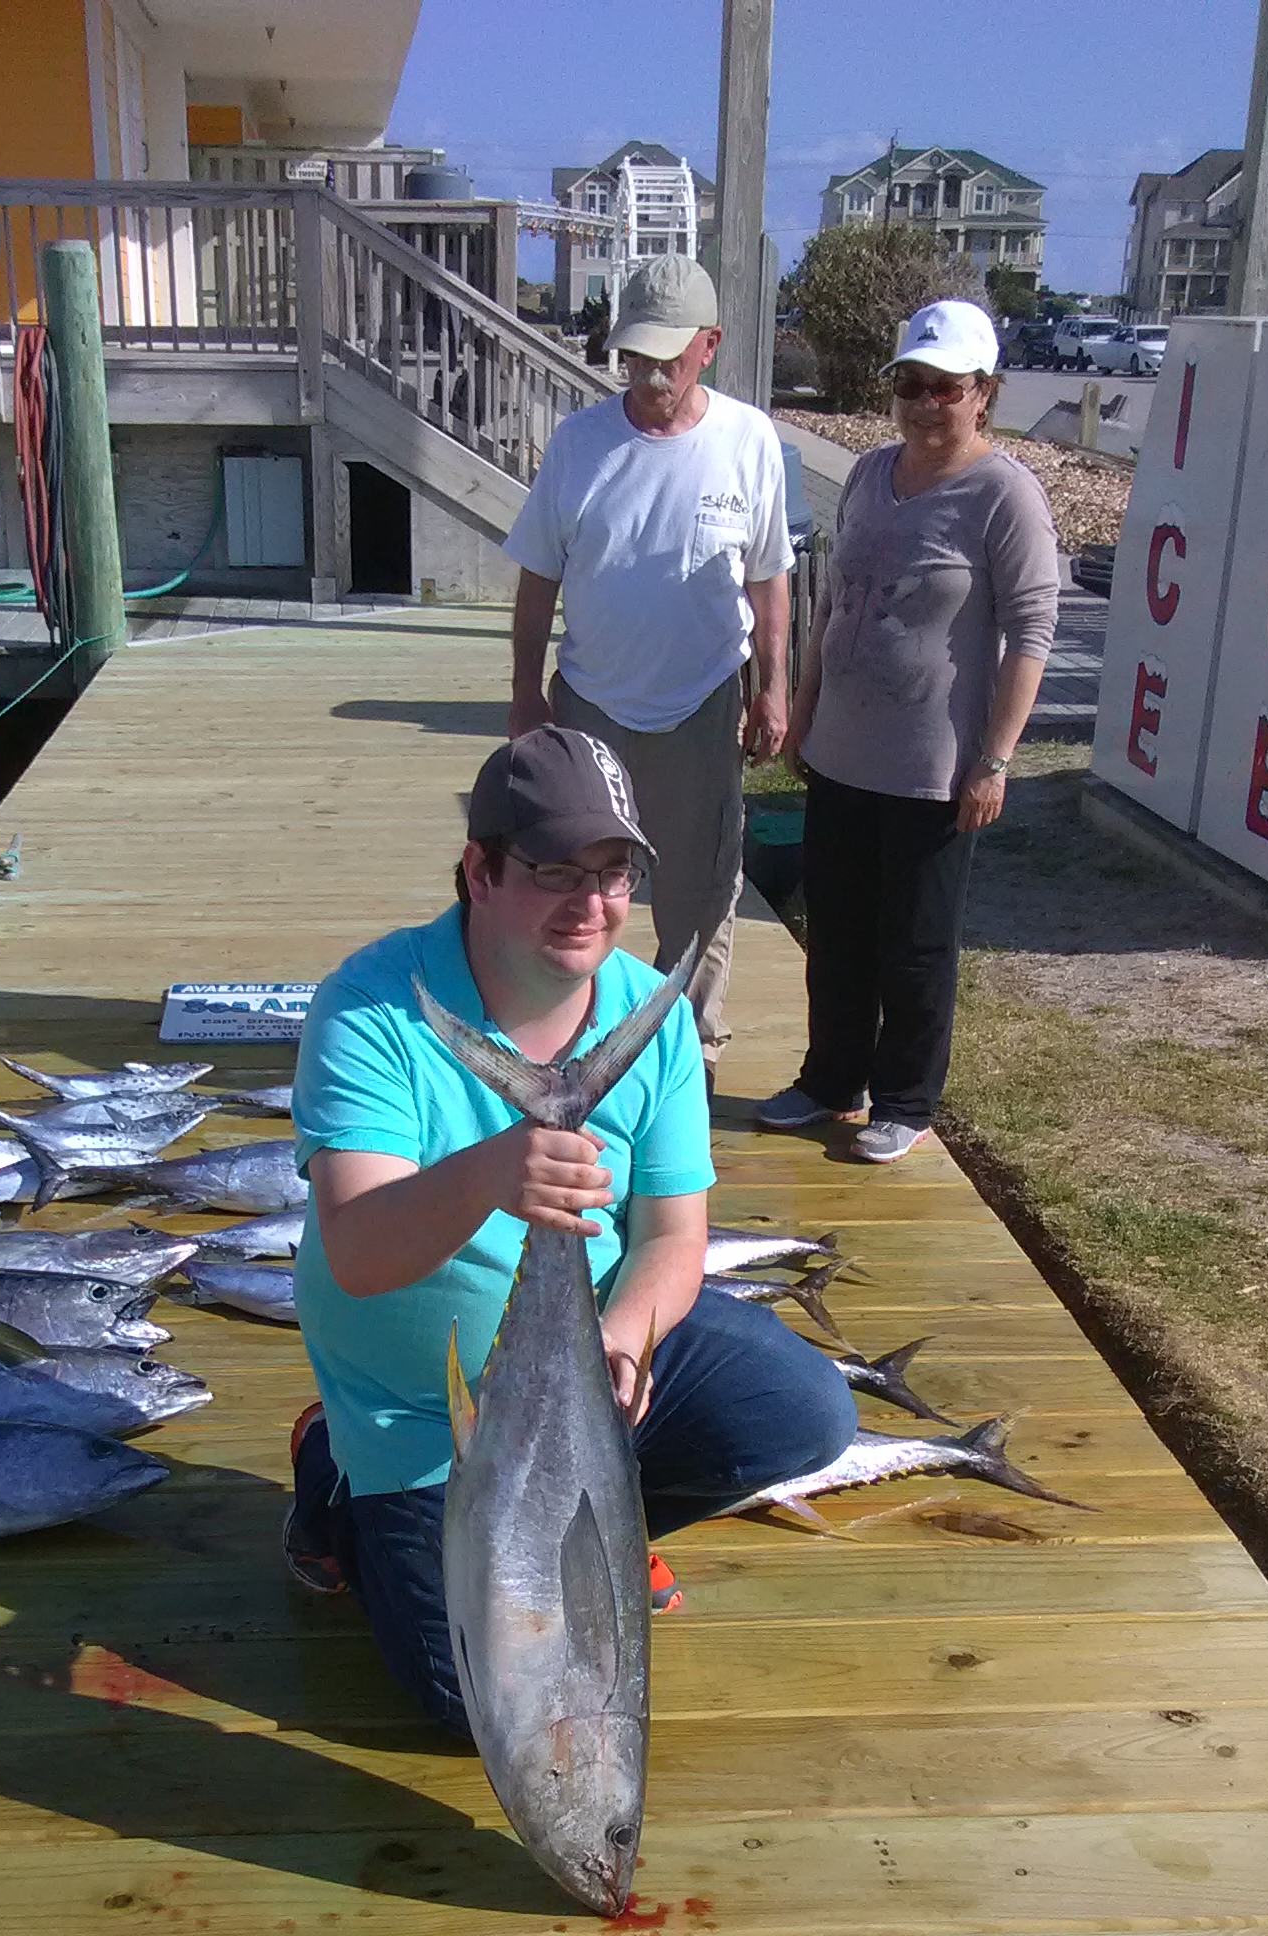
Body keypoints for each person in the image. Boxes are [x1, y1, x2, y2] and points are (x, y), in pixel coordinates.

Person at [284, 727, 856, 1737]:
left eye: (613, 873)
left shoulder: (652, 1015)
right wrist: (492, 1172)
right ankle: (336, 1476)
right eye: (555, 870)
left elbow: (675, 1236)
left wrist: (624, 1336)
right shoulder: (370, 1009)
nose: (590, 904)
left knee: (805, 1414)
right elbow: (359, 1253)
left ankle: (601, 1517)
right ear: (480, 871)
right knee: (482, 1705)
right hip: (423, 1411)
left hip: (580, 1363)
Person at [754, 299, 1060, 1161]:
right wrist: (803, 708)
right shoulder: (868, 474)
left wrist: (995, 759)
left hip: (934, 766)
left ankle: (906, 1098)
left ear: (984, 393)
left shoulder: (1005, 495)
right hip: (842, 751)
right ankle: (829, 1080)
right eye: (910, 385)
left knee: (916, 945)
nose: (926, 404)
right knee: (837, 931)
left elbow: (1033, 632)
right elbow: (837, 604)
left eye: (945, 388)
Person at [503, 254, 793, 1083]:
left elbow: (768, 577)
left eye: (670, 354)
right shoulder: (578, 443)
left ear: (711, 344)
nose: (652, 372)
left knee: (699, 890)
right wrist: (525, 692)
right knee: (569, 876)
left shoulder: (748, 440)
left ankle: (686, 1041)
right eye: (637, 355)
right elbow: (537, 579)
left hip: (702, 700)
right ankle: (562, 1029)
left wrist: (771, 687)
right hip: (590, 700)